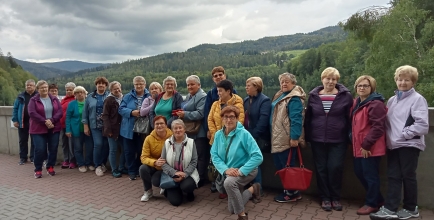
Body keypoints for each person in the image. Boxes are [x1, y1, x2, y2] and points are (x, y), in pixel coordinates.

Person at [370, 65, 429, 220]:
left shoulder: (417, 99)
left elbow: (422, 125)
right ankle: (391, 208)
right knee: (393, 176)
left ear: (413, 82)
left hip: (409, 145)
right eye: (400, 79)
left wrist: (404, 135)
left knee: (408, 176)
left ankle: (411, 209)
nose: (403, 82)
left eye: (407, 80)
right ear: (396, 81)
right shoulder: (392, 100)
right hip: (393, 145)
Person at [304, 67, 353, 211]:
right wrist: (307, 137)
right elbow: (308, 118)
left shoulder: (345, 96)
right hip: (317, 139)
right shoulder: (314, 95)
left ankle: (335, 198)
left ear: (337, 81)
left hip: (339, 139)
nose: (330, 81)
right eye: (328, 78)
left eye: (333, 79)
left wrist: (350, 137)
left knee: (335, 168)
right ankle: (325, 198)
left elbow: (350, 118)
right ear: (322, 79)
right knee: (321, 169)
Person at [211, 106, 263, 220]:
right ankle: (253, 189)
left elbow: (258, 156)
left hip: (247, 169)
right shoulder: (218, 135)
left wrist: (241, 171)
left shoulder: (244, 134)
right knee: (232, 209)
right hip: (230, 171)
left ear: (237, 119)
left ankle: (242, 216)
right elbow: (214, 155)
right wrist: (225, 169)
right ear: (222, 119)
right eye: (226, 117)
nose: (229, 120)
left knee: (229, 183)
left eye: (232, 117)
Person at [350, 75, 387, 215]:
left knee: (370, 176)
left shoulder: (375, 104)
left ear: (372, 88)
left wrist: (366, 145)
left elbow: (378, 127)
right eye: (359, 85)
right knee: (360, 173)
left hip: (370, 148)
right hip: (359, 146)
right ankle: (378, 200)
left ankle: (372, 203)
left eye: (366, 85)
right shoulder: (357, 102)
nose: (362, 88)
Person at [270, 73, 306, 203]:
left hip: (286, 138)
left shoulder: (294, 98)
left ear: (293, 84)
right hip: (277, 136)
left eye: (287, 82)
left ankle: (291, 193)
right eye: (282, 82)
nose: (284, 84)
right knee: (281, 165)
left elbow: (297, 119)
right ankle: (289, 190)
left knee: (287, 166)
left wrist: (295, 138)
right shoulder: (281, 94)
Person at [203, 66, 237, 193]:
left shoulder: (234, 93)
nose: (218, 77)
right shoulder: (211, 94)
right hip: (215, 133)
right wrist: (210, 131)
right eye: (215, 75)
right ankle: (215, 182)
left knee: (228, 159)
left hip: (230, 133)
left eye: (220, 75)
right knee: (215, 159)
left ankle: (227, 184)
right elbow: (208, 115)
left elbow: (238, 115)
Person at [208, 79, 244, 199]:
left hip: (232, 140)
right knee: (217, 164)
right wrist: (216, 134)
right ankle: (221, 187)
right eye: (217, 91)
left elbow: (239, 122)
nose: (218, 93)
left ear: (228, 91)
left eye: (220, 91)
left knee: (230, 164)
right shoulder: (215, 104)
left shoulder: (238, 104)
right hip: (217, 139)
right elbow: (210, 120)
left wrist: (226, 135)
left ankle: (231, 188)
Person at [175, 75, 208, 187]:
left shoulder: (203, 96)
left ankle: (202, 178)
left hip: (199, 132)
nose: (189, 86)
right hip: (190, 131)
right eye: (188, 84)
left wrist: (185, 114)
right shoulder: (189, 96)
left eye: (192, 84)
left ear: (199, 85)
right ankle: (194, 177)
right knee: (192, 156)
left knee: (201, 156)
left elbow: (200, 113)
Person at [160, 119, 199, 206]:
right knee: (175, 202)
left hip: (186, 173)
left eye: (180, 128)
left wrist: (184, 174)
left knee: (187, 186)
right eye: (175, 128)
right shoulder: (167, 143)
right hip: (172, 174)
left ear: (184, 129)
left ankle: (188, 191)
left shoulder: (191, 142)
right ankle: (172, 189)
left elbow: (194, 161)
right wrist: (174, 173)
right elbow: (163, 162)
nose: (178, 130)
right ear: (172, 130)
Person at [28, 80, 62, 178]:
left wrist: (51, 120)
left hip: (54, 127)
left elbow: (59, 112)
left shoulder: (54, 99)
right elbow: (32, 113)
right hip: (38, 129)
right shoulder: (33, 100)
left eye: (46, 87)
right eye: (42, 87)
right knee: (40, 149)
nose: (44, 89)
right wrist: (45, 121)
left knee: (53, 148)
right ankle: (38, 169)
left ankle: (50, 166)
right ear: (38, 89)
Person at [243, 77, 271, 195]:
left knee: (255, 161)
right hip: (246, 135)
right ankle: (249, 187)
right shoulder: (245, 100)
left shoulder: (264, 100)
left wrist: (253, 135)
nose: (246, 88)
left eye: (248, 85)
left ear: (256, 87)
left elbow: (263, 121)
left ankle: (258, 189)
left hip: (258, 137)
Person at [119, 76, 150, 180]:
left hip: (144, 130)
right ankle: (131, 171)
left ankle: (139, 170)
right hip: (128, 129)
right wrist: (131, 112)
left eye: (141, 83)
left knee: (142, 150)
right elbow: (121, 109)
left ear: (145, 85)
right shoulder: (128, 96)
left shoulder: (149, 95)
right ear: (134, 85)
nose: (139, 86)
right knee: (129, 151)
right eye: (136, 84)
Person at [139, 116, 173, 202]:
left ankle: (165, 186)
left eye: (161, 123)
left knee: (157, 182)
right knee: (143, 168)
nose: (159, 126)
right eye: (157, 124)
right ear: (154, 126)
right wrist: (155, 162)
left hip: (169, 167)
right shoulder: (149, 138)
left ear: (166, 125)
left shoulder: (173, 137)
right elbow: (143, 157)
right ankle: (148, 191)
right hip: (155, 166)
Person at [82, 77, 110, 176]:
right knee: (98, 144)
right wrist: (86, 126)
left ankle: (103, 163)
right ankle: (97, 165)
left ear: (106, 86)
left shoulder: (109, 96)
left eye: (103, 84)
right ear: (96, 85)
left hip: (107, 126)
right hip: (95, 125)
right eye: (99, 83)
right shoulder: (90, 97)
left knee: (106, 145)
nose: (101, 85)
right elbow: (85, 113)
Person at [66, 86, 94, 173]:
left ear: (85, 93)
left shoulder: (88, 103)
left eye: (81, 92)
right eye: (77, 93)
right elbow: (68, 117)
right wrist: (68, 130)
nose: (79, 94)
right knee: (78, 148)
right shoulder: (72, 104)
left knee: (90, 147)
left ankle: (89, 163)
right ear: (75, 95)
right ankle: (81, 164)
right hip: (76, 129)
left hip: (88, 129)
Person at [102, 81, 125, 178]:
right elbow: (105, 116)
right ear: (111, 90)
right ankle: (114, 169)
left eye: (118, 88)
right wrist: (108, 130)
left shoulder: (123, 98)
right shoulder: (109, 100)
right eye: (115, 89)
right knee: (113, 150)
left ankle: (121, 167)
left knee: (125, 149)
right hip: (112, 129)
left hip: (123, 128)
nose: (117, 90)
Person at [12, 79, 37, 165]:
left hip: (34, 123)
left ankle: (33, 157)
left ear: (34, 86)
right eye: (27, 85)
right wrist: (15, 120)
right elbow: (15, 108)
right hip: (22, 122)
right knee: (23, 140)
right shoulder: (20, 96)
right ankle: (23, 158)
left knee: (34, 141)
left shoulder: (38, 96)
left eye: (30, 85)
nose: (29, 86)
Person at [60, 82, 76, 169]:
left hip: (72, 126)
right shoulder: (63, 100)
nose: (69, 91)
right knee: (64, 143)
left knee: (71, 144)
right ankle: (66, 159)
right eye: (67, 90)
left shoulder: (76, 99)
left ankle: (73, 160)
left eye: (71, 90)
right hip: (62, 125)